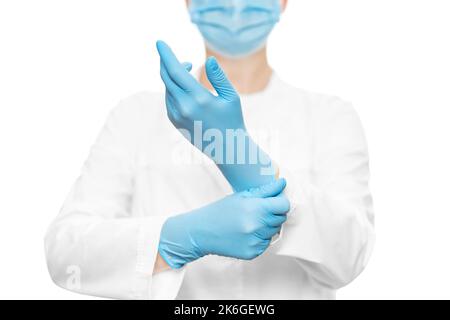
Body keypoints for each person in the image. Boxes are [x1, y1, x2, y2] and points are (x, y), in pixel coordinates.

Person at [44, 0, 375, 300]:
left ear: (283, 2)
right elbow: (66, 254)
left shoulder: (330, 117)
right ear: (189, 2)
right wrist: (177, 238)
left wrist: (238, 155)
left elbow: (351, 256)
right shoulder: (135, 116)